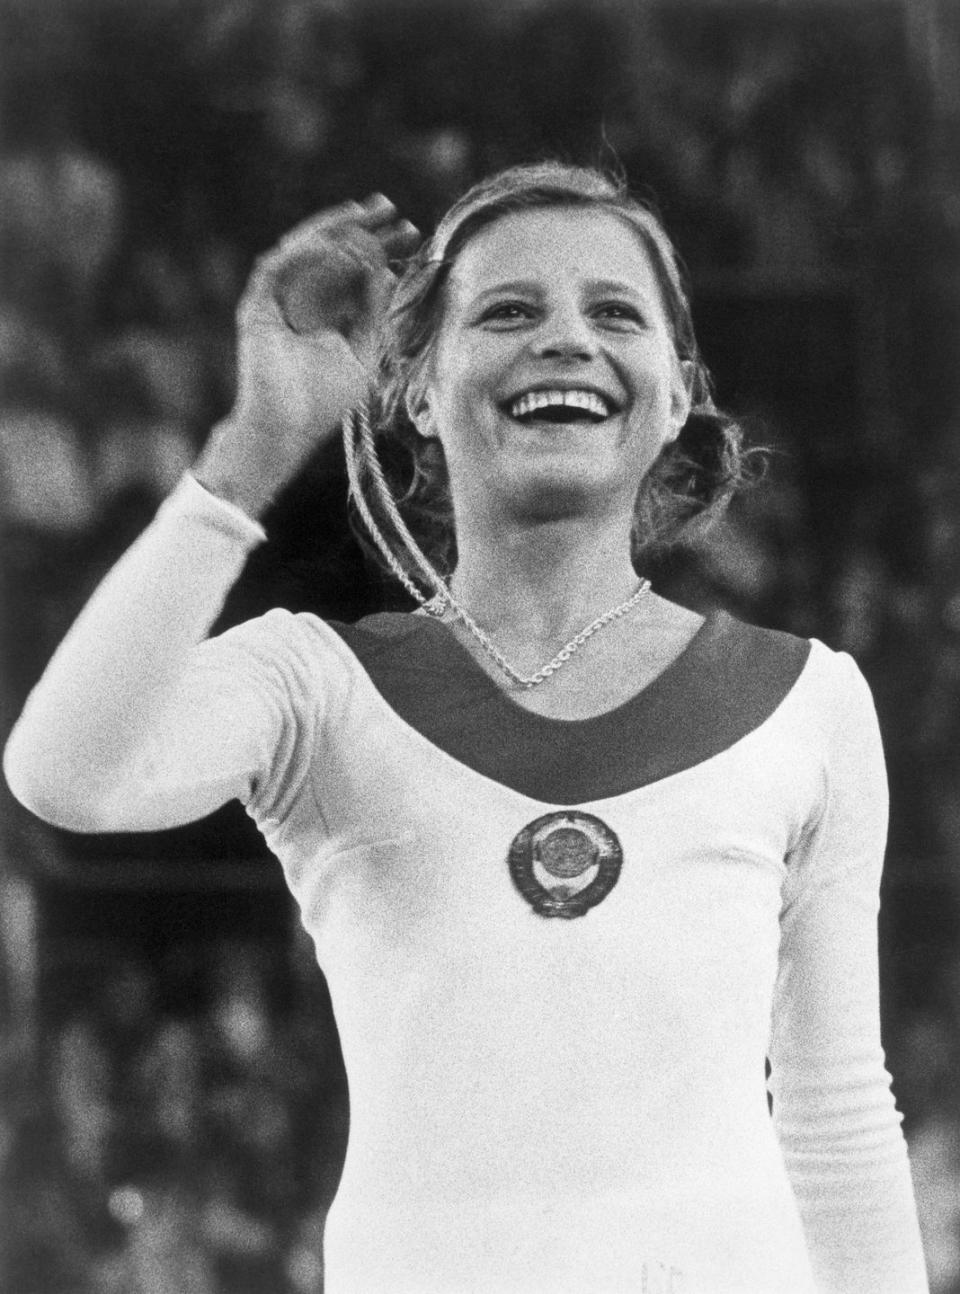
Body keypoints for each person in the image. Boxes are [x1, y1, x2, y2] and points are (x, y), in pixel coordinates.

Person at [4, 163, 929, 1294]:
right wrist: (256, 443)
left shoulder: (807, 701)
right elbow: (66, 774)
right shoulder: (318, 685)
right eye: (507, 311)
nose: (566, 340)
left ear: (678, 391)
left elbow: (836, 1114)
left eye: (614, 312)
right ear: (421, 391)